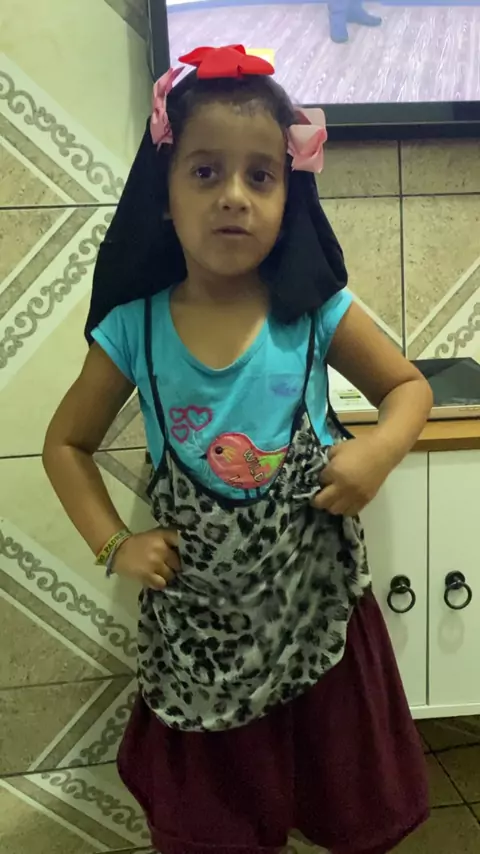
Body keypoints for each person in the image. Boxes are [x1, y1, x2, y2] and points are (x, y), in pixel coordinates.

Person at [43, 44, 432, 854]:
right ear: (164, 193)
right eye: (205, 171)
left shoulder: (315, 311)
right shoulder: (133, 329)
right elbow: (66, 445)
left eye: (261, 176)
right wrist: (114, 543)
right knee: (213, 831)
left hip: (319, 622)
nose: (233, 196)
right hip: (199, 640)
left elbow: (409, 389)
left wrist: (378, 453)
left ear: (290, 194)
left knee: (345, 806)